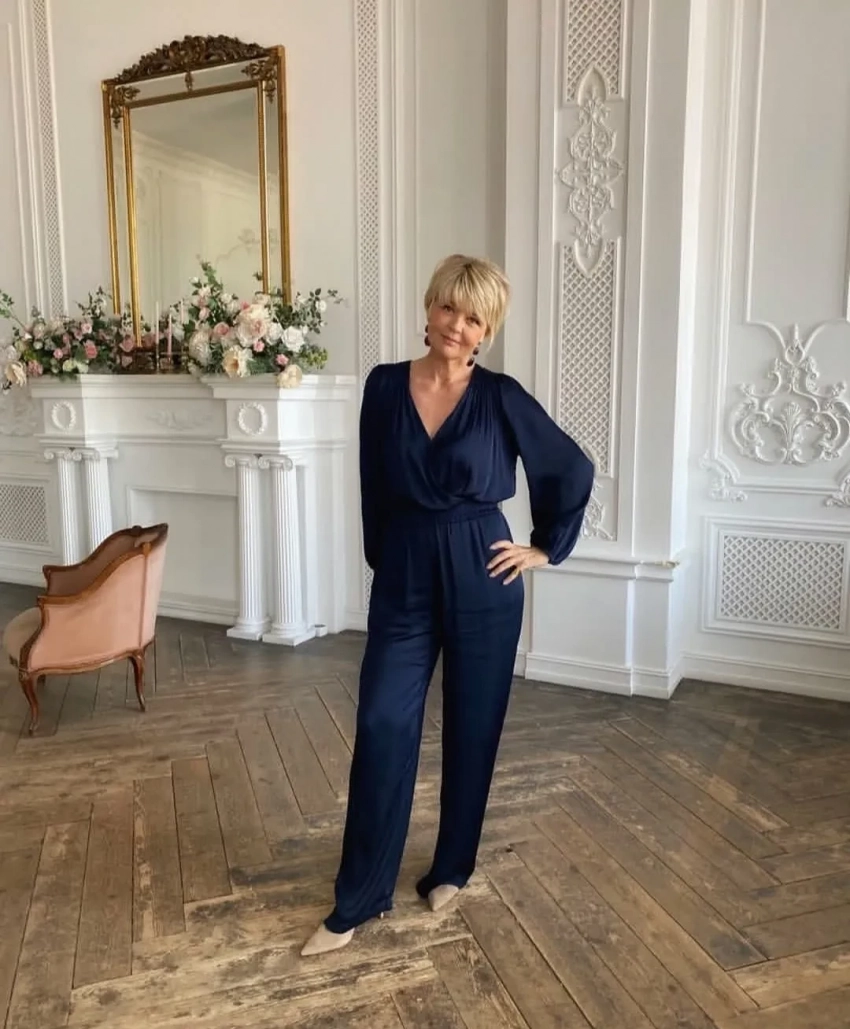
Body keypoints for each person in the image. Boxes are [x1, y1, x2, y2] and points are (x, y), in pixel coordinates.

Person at [301, 254, 594, 957]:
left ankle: (452, 867)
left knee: (473, 725)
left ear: (487, 329)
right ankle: (359, 896)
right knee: (382, 721)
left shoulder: (501, 396)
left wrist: (543, 548)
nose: (457, 326)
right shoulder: (383, 386)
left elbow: (569, 465)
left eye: (474, 318)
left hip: (481, 569)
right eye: (448, 309)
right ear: (428, 308)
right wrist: (387, 560)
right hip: (405, 570)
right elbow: (373, 483)